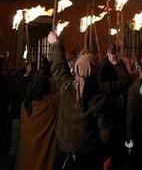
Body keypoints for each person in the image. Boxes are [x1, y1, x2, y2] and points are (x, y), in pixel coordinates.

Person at [48, 31, 112, 170]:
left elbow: (59, 67)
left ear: (76, 68)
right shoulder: (98, 97)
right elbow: (105, 132)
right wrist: (106, 153)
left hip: (64, 153)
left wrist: (56, 44)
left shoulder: (66, 89)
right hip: (87, 156)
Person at [18, 70, 59, 170]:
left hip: (26, 161)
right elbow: (65, 87)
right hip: (45, 163)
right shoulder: (52, 103)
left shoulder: (25, 106)